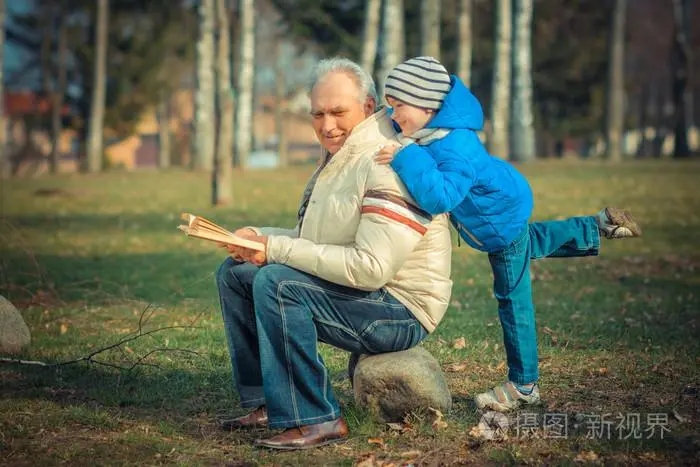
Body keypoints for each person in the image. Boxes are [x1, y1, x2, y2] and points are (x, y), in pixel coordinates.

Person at [374, 56, 642, 413]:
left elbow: (440, 196)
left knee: (513, 299)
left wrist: (404, 156)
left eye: (398, 106)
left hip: (499, 219)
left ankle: (524, 384)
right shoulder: (431, 131)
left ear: (426, 104)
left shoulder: (454, 145)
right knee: (531, 242)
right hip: (504, 208)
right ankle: (596, 226)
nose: (393, 116)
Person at [214, 57, 453, 450]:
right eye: (318, 114)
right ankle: (266, 401)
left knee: (277, 282)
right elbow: (320, 239)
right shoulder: (341, 157)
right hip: (365, 293)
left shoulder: (386, 161)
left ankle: (316, 418)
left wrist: (276, 250)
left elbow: (371, 268)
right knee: (238, 274)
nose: (327, 125)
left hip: (401, 308)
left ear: (370, 105)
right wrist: (260, 238)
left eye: (338, 112)